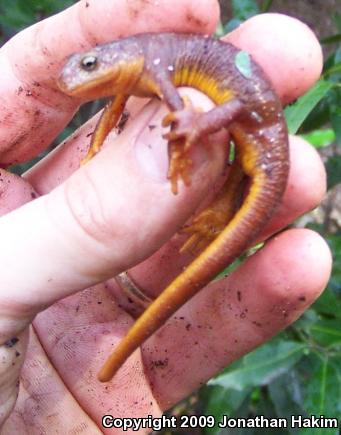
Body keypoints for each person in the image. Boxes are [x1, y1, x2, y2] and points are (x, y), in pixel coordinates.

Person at [0, 0, 331, 432]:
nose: (80, 76)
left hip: (257, 126)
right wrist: (105, 129)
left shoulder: (153, 63)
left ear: (118, 55)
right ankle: (216, 217)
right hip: (253, 131)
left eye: (89, 64)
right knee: (232, 183)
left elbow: (182, 109)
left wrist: (191, 127)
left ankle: (216, 213)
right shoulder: (137, 67)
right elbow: (119, 102)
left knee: (220, 151)